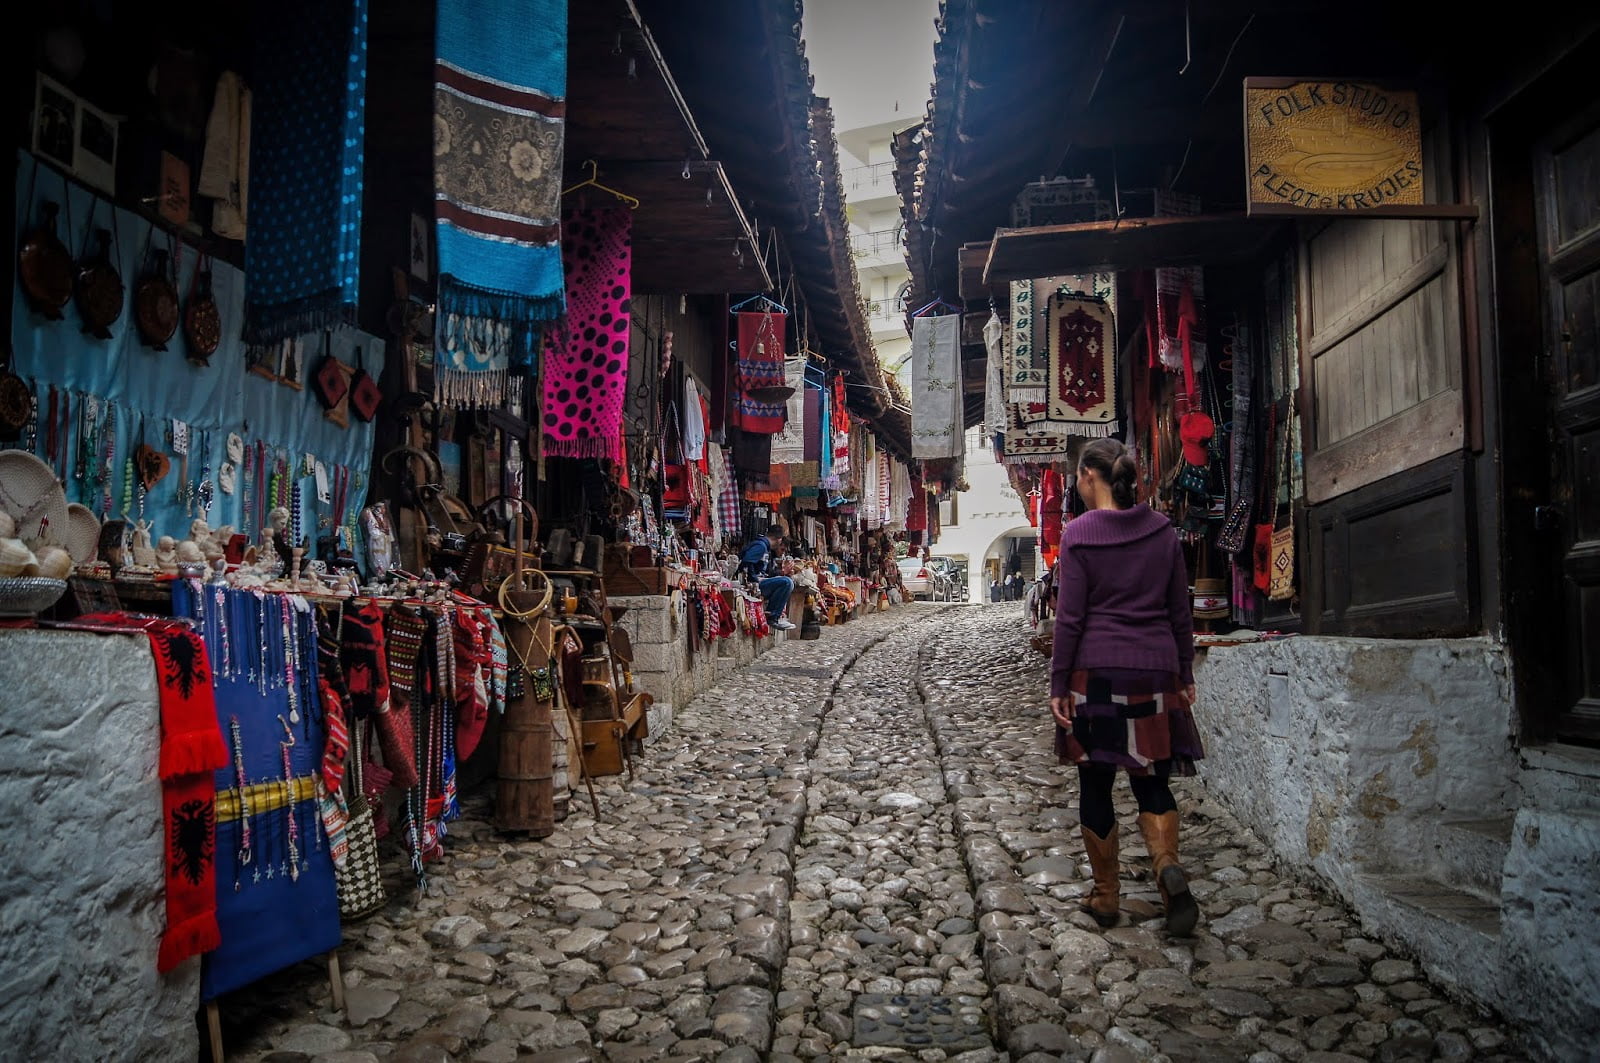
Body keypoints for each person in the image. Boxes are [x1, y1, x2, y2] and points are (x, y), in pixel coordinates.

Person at [1048, 437, 1204, 935]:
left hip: (1096, 673)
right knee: (1152, 780)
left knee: (1095, 781)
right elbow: (1180, 611)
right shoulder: (1162, 531)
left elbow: (1070, 618)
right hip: (1155, 671)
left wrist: (1059, 681)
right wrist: (1184, 672)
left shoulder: (1079, 535)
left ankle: (1106, 895)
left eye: (1077, 476)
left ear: (1089, 476)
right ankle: (1165, 866)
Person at [739, 529, 796, 630]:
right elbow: (747, 562)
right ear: (779, 539)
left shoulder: (765, 548)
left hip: (758, 582)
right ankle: (773, 616)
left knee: (786, 581)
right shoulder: (761, 546)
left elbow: (766, 571)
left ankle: (774, 615)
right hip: (751, 584)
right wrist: (755, 580)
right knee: (787, 583)